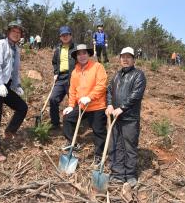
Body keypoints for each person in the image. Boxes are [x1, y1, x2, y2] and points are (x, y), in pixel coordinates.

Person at [0, 21, 28, 161]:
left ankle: (9, 131)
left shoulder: (16, 49)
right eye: (13, 31)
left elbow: (14, 71)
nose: (16, 34)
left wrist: (17, 85)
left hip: (6, 86)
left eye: (18, 32)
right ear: (8, 32)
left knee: (22, 107)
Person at [106, 47, 146, 187]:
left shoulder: (138, 75)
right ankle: (117, 174)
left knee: (130, 146)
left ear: (134, 59)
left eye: (129, 57)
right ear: (120, 59)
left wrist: (122, 108)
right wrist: (110, 105)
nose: (125, 59)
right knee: (115, 145)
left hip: (130, 118)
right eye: (123, 57)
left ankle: (130, 175)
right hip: (115, 118)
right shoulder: (116, 76)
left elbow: (136, 95)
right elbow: (109, 91)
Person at [62, 44, 107, 165]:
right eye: (79, 54)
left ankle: (99, 155)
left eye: (84, 53)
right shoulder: (75, 71)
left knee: (98, 130)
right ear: (76, 56)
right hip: (82, 106)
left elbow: (102, 85)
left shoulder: (97, 67)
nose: (82, 56)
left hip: (97, 106)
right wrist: (71, 105)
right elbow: (72, 90)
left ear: (88, 54)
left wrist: (90, 97)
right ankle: (73, 143)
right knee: (67, 118)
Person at [49, 26, 76, 129]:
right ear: (60, 37)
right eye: (62, 35)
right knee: (53, 99)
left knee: (74, 101)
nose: (65, 37)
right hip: (60, 78)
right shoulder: (58, 49)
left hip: (73, 77)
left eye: (67, 35)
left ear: (70, 35)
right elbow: (54, 62)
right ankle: (55, 123)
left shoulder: (76, 48)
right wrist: (56, 72)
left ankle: (75, 123)